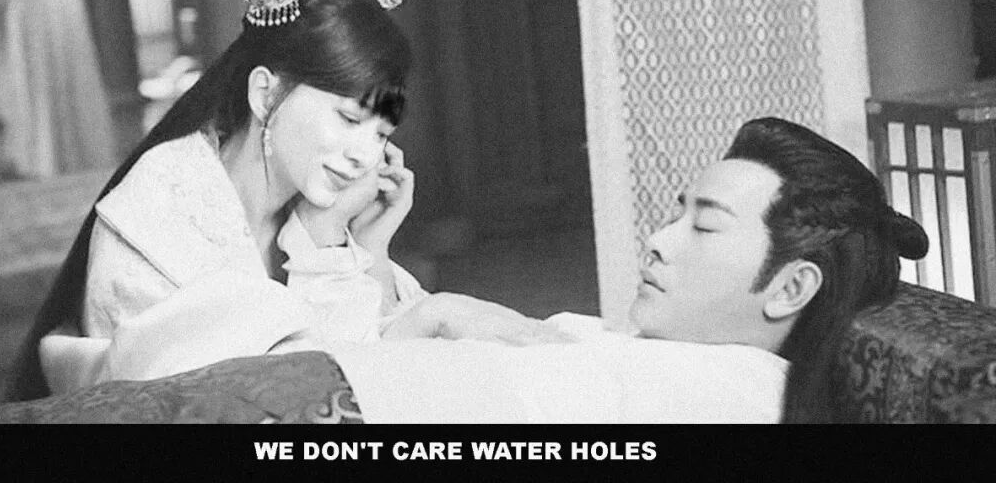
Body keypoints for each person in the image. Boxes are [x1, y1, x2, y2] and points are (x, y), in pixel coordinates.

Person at [5, 0, 460, 401]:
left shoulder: (318, 201)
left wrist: (371, 248)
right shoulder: (157, 214)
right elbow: (279, 400)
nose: (365, 155)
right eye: (348, 118)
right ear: (265, 94)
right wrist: (321, 243)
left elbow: (390, 379)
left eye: (382, 134)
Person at [303, 117, 928, 423]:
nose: (657, 241)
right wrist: (374, 250)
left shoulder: (724, 393)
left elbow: (368, 397)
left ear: (791, 287)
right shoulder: (662, 358)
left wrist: (439, 313)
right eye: (676, 214)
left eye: (705, 226)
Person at [0, 0, 118, 177]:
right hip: (58, 0)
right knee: (39, 79)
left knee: (61, 77)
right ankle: (46, 156)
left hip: (34, 3)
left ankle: (48, 157)